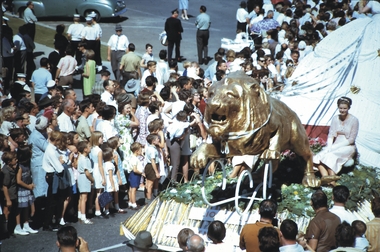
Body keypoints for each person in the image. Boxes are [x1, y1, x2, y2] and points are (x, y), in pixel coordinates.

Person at [313, 97, 359, 185]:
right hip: (335, 144)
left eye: (345, 108)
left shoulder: (354, 120)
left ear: (349, 108)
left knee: (331, 155)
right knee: (319, 156)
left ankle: (332, 182)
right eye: (340, 108)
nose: (342, 110)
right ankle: (326, 178)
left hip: (347, 146)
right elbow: (331, 134)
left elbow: (351, 139)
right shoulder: (335, 118)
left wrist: (334, 147)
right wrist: (329, 146)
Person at [77, 141, 94, 224]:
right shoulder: (84, 159)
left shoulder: (83, 158)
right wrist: (92, 180)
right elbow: (87, 173)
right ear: (85, 149)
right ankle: (83, 217)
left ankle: (79, 214)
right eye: (89, 146)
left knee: (81, 197)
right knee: (84, 198)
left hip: (81, 177)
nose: (91, 148)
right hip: (84, 178)